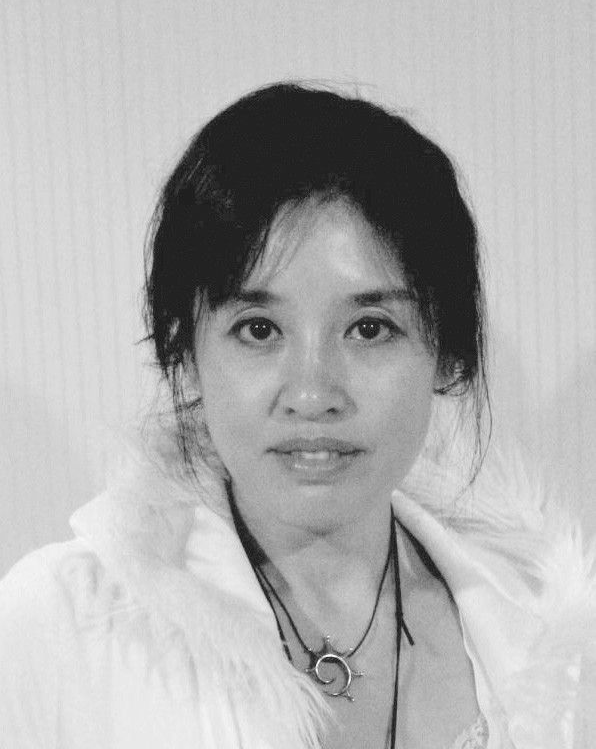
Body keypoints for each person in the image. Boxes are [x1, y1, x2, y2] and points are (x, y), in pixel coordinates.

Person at [0, 82, 594, 749]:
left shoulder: (555, 645)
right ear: (184, 352)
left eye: (369, 328)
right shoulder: (58, 627)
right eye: (258, 329)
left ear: (447, 352)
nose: (313, 394)